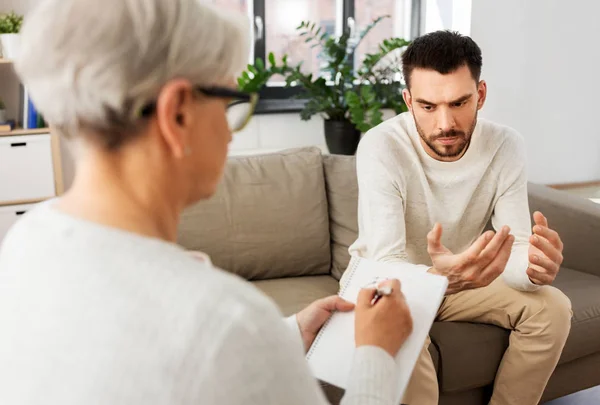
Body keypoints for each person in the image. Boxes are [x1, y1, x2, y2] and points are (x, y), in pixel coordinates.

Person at [0, 1, 415, 404]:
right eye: (228, 102)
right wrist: (376, 352)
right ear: (178, 114)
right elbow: (208, 342)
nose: (230, 132)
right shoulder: (225, 322)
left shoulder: (25, 240)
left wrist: (285, 335)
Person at [348, 30, 573, 405]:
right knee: (401, 339)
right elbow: (387, 263)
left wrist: (533, 269)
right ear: (407, 101)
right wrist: (441, 278)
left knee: (553, 307)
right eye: (428, 106)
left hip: (462, 280)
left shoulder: (505, 145)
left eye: (459, 102)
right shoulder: (380, 146)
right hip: (386, 285)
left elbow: (515, 245)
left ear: (480, 95)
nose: (444, 124)